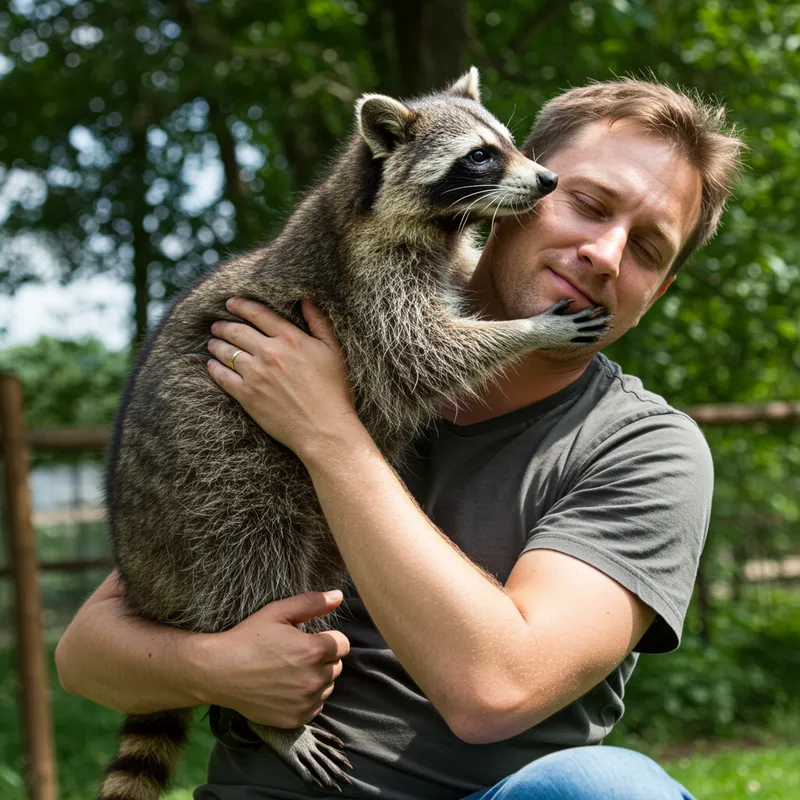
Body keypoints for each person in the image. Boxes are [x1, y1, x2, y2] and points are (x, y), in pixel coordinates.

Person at [56, 78, 744, 800]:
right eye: (589, 204)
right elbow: (88, 656)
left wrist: (326, 433)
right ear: (524, 191)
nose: (605, 253)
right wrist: (217, 668)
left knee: (613, 790)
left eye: (646, 247)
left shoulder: (642, 449)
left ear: (660, 288)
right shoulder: (290, 357)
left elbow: (494, 692)